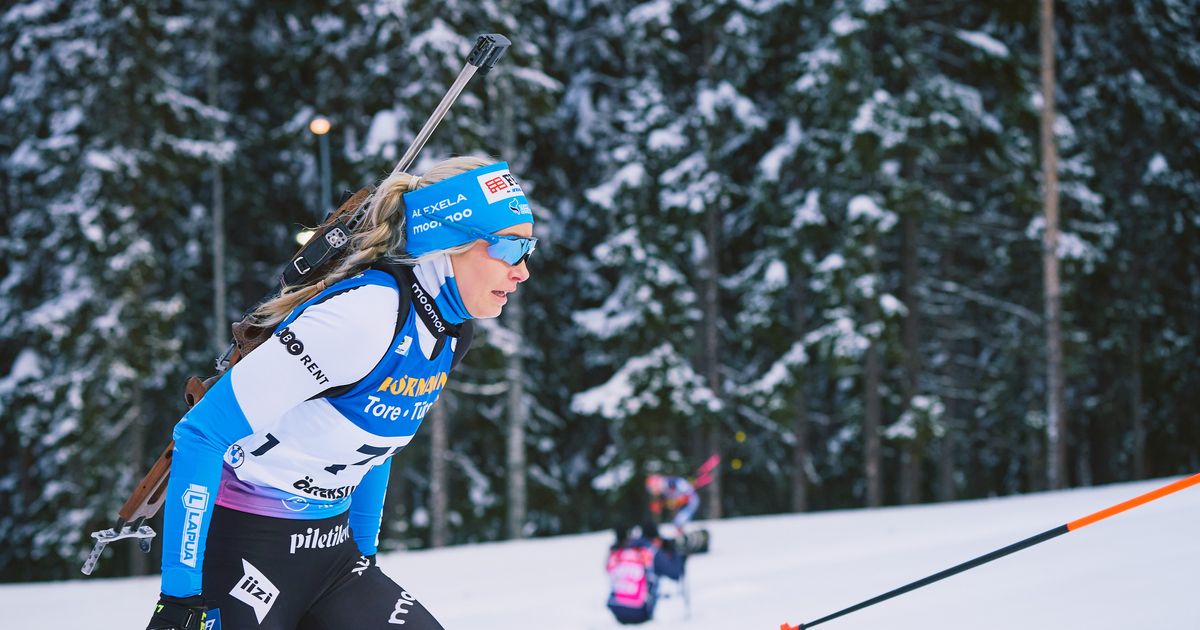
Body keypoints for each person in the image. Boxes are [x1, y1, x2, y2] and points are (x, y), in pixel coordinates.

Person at [146, 156, 536, 630]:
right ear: (449, 241)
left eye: (528, 250)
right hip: (245, 551)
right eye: (512, 249)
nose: (523, 272)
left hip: (332, 558)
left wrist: (365, 555)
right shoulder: (364, 315)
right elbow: (202, 433)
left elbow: (375, 444)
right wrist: (181, 597)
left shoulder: (451, 331)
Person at [644, 474, 699, 538]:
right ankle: (683, 536)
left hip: (690, 501)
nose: (653, 492)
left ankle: (688, 536)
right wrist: (663, 505)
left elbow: (686, 490)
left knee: (679, 521)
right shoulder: (663, 491)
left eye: (652, 488)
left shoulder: (670, 482)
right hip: (684, 504)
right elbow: (672, 504)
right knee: (678, 522)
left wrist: (684, 497)